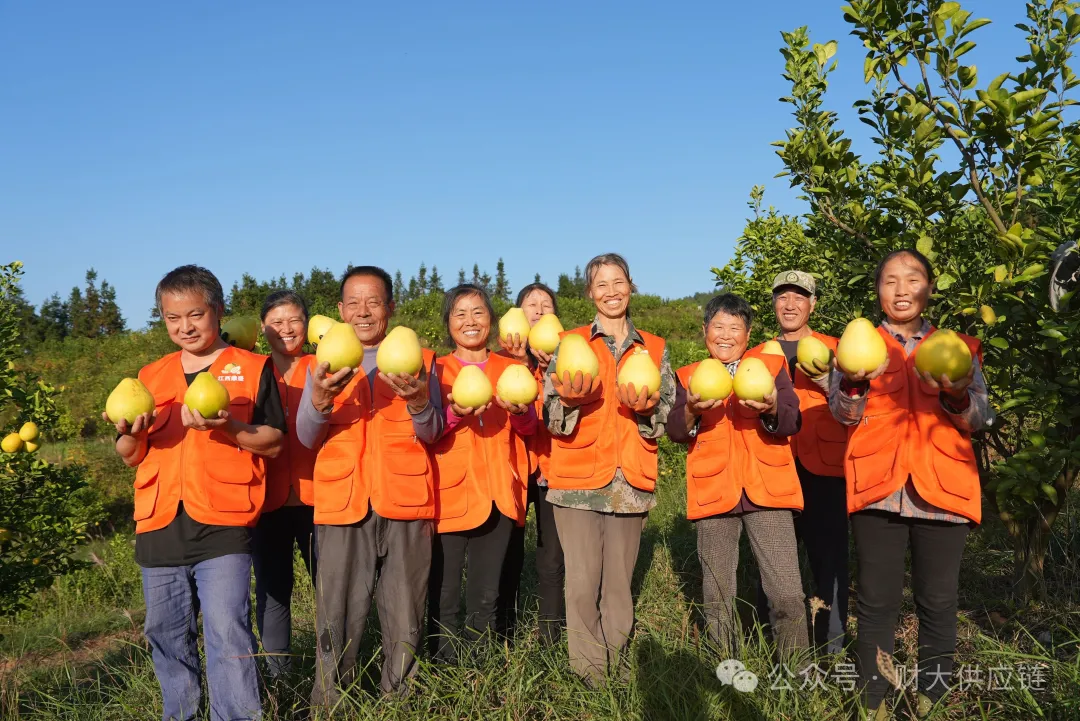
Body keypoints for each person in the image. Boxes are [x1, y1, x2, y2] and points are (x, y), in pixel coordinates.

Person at [106, 265, 284, 721]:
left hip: (223, 521)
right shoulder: (149, 376)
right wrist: (130, 434)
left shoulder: (253, 368)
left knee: (228, 633)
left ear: (218, 311)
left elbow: (274, 442)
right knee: (166, 634)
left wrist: (227, 427)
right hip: (160, 521)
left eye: (195, 315)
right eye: (172, 318)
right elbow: (131, 455)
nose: (184, 326)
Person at [828, 249, 989, 719]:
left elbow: (982, 418)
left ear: (930, 288)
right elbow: (843, 415)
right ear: (878, 290)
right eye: (890, 281)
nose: (901, 290)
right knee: (875, 603)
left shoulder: (959, 347)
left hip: (944, 490)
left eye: (913, 279)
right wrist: (854, 385)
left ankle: (931, 703)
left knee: (938, 602)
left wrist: (956, 395)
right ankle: (872, 705)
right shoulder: (856, 345)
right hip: (878, 489)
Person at [297, 266, 443, 703]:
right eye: (354, 303)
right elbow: (306, 437)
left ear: (390, 308)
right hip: (343, 503)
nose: (363, 312)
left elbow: (434, 432)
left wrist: (419, 402)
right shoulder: (320, 365)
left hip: (406, 501)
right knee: (337, 614)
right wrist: (319, 401)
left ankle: (400, 702)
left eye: (374, 302)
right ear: (340, 310)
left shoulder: (423, 360)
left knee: (406, 612)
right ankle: (331, 704)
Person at [542, 253, 675, 685]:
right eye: (602, 284)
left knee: (618, 583)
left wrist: (647, 412)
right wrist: (570, 403)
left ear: (631, 286)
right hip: (577, 480)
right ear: (590, 293)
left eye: (619, 282)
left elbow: (667, 415)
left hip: (631, 479)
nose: (611, 292)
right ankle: (590, 677)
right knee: (582, 583)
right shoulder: (570, 343)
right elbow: (549, 415)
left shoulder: (654, 347)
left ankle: (616, 667)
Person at [667, 293, 809, 656]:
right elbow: (676, 430)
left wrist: (772, 407)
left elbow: (792, 420)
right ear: (705, 331)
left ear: (748, 335)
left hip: (769, 490)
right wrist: (692, 410)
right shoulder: (689, 376)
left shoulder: (771, 368)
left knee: (787, 593)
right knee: (717, 596)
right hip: (714, 491)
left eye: (735, 328)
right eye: (718, 326)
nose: (726, 335)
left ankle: (796, 671)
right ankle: (724, 669)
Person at [427, 284, 535, 662]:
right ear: (448, 323)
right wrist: (455, 414)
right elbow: (426, 430)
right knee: (443, 594)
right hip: (448, 496)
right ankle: (443, 669)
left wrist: (520, 413)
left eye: (478, 312)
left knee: (486, 595)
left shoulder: (512, 368)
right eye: (460, 313)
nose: (469, 321)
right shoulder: (436, 370)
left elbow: (529, 429)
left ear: (491, 320)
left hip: (499, 493)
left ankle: (479, 671)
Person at [754, 271, 849, 654]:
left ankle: (833, 644)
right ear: (774, 303)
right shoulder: (758, 355)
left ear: (813, 304)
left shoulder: (838, 349)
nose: (790, 304)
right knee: (773, 562)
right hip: (774, 469)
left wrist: (829, 380)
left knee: (831, 560)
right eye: (782, 297)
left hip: (825, 470)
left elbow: (856, 408)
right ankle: (774, 645)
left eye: (799, 297)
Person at [252, 290, 318, 678]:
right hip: (267, 501)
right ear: (263, 328)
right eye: (276, 322)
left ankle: (335, 668)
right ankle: (279, 676)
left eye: (294, 320)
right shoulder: (253, 370)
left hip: (320, 498)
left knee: (330, 588)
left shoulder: (325, 366)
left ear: (307, 325)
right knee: (273, 590)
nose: (286, 328)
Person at [497, 281, 566, 645]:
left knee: (551, 555)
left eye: (546, 305)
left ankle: (550, 633)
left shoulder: (568, 359)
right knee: (507, 551)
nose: (539, 310)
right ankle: (503, 631)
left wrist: (551, 367)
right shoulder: (498, 361)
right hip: (513, 468)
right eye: (531, 304)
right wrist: (519, 363)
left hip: (554, 467)